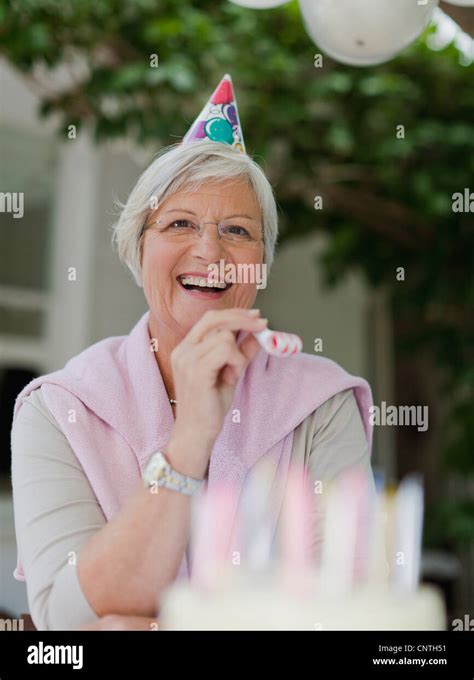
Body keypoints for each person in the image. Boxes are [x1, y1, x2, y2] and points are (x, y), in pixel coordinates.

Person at [11, 75, 374, 630]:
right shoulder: (56, 408)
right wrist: (188, 442)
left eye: (236, 230)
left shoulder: (322, 404)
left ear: (261, 263)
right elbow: (65, 615)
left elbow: (341, 608)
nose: (209, 251)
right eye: (180, 223)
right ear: (138, 247)